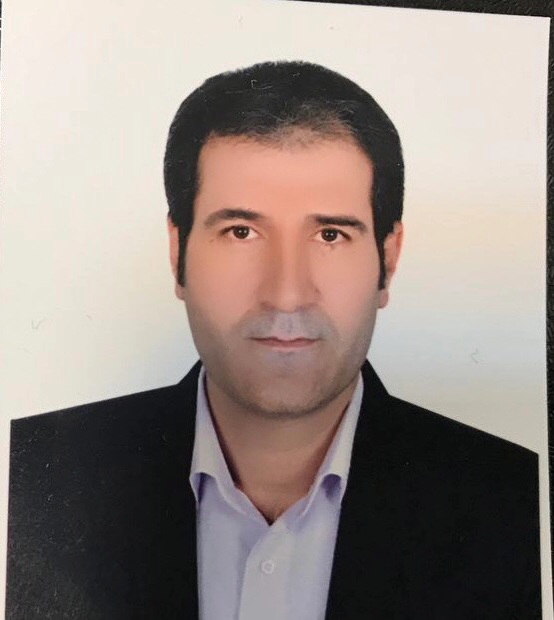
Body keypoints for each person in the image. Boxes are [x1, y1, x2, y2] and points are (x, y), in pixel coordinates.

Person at [6, 61, 541, 620]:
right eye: (241, 232)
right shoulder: (29, 475)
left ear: (388, 259)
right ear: (177, 252)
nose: (287, 295)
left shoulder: (519, 505)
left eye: (330, 234)